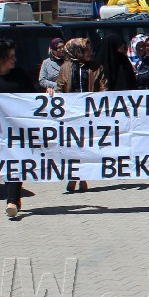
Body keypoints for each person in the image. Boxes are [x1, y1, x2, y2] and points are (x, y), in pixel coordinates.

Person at [0, 39, 37, 219]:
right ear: (0, 59)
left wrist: (48, 95)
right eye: (11, 57)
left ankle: (11, 201)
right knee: (8, 163)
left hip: (20, 128)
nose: (14, 60)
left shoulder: (20, 75)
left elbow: (34, 98)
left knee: (16, 161)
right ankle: (14, 199)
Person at [55, 37, 105, 194]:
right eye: (85, 50)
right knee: (73, 147)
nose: (89, 52)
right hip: (71, 113)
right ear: (76, 51)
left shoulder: (96, 67)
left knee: (85, 147)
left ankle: (82, 177)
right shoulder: (65, 68)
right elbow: (60, 89)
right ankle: (74, 177)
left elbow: (104, 87)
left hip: (90, 113)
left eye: (90, 49)